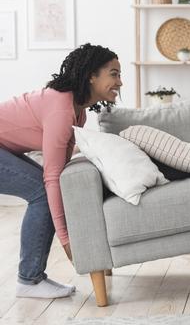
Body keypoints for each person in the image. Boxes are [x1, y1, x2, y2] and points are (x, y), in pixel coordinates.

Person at [0, 43, 121, 299]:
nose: (119, 82)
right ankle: (29, 280)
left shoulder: (78, 113)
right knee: (42, 192)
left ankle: (31, 278)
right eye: (114, 74)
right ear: (91, 75)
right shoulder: (61, 108)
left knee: (45, 190)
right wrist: (66, 240)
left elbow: (62, 174)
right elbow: (52, 178)